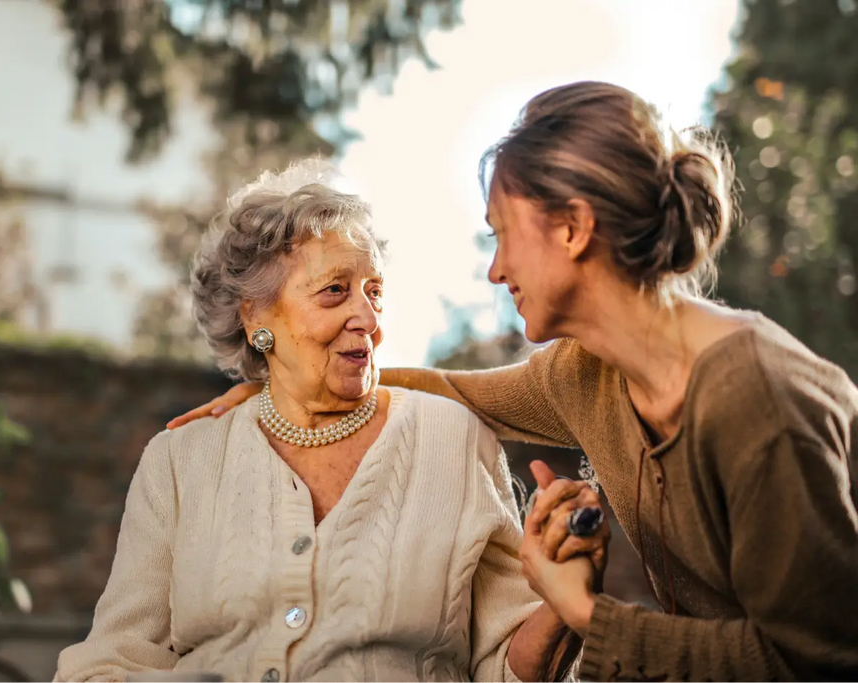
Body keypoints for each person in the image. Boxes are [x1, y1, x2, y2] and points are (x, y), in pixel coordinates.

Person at [166, 82, 858, 682]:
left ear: (573, 228)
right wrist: (286, 385)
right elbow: (456, 390)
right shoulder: (587, 373)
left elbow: (816, 660)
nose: (496, 270)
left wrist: (585, 612)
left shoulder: (756, 399)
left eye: (501, 235)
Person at [55, 160, 610, 683]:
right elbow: (110, 661)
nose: (368, 320)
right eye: (335, 292)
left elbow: (504, 668)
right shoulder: (181, 460)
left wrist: (563, 605)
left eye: (375, 293)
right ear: (256, 317)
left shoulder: (454, 440)